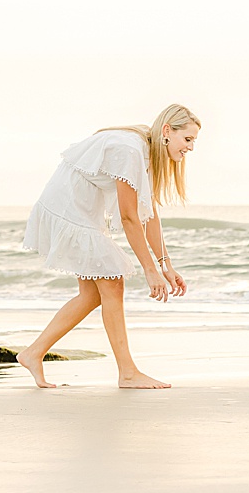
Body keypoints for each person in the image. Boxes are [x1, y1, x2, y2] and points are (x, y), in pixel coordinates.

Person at [16, 104, 199, 389]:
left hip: (81, 209)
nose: (190, 148)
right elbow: (128, 217)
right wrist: (150, 271)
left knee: (92, 294)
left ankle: (33, 353)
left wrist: (166, 266)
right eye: (187, 139)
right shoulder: (130, 150)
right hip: (68, 208)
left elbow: (147, 213)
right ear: (167, 131)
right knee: (112, 283)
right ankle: (127, 373)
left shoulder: (145, 150)